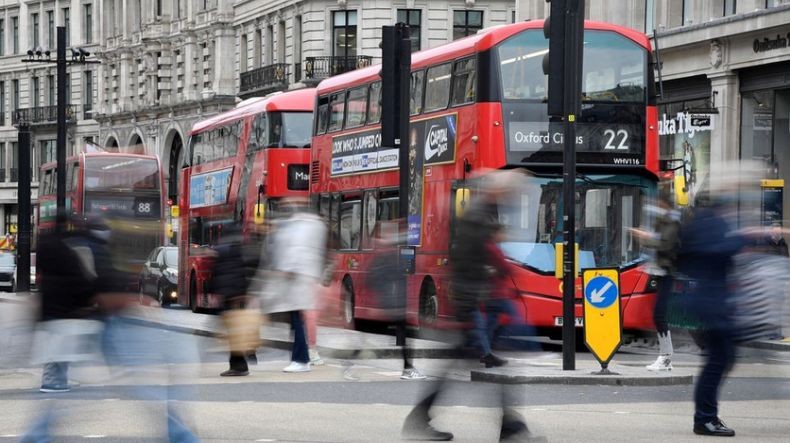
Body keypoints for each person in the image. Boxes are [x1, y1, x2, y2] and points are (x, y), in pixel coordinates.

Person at [402, 170, 542, 442]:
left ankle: (422, 419)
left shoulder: (484, 213)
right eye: (512, 191)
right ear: (498, 191)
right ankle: (510, 430)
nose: (514, 196)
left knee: (474, 369)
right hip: (472, 309)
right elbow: (466, 265)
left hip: (475, 307)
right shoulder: (477, 218)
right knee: (494, 369)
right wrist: (470, 312)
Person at [22, 216, 115, 441]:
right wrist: (86, 301)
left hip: (51, 308)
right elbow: (82, 278)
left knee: (56, 351)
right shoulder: (73, 249)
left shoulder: (49, 247)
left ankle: (53, 384)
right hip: (68, 309)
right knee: (63, 352)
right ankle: (54, 387)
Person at [677, 191, 747, 437]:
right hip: (711, 304)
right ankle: (705, 419)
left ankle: (706, 417)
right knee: (718, 361)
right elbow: (716, 252)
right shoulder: (708, 223)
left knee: (720, 359)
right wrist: (741, 239)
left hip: (712, 303)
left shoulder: (702, 223)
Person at [255, 198, 327, 373]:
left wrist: (285, 269)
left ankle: (301, 359)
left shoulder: (300, 227)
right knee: (296, 321)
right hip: (301, 280)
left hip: (297, 282)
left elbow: (295, 253)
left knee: (297, 320)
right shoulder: (311, 225)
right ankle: (301, 358)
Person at [365, 227, 426, 380]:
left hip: (391, 303)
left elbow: (371, 281)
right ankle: (408, 369)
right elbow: (382, 281)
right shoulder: (386, 258)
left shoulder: (382, 258)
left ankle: (408, 368)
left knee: (404, 335)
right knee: (406, 335)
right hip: (393, 304)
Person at [637, 191, 681, 372]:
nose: (657, 207)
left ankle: (666, 357)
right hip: (661, 271)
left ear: (664, 204)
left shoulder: (673, 222)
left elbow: (665, 245)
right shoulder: (665, 221)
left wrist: (647, 238)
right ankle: (666, 356)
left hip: (667, 272)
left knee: (659, 315)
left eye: (659, 203)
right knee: (658, 315)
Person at [212, 222, 258, 377]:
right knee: (240, 328)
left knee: (233, 331)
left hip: (229, 295)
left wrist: (216, 292)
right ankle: (246, 355)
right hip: (239, 294)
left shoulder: (222, 250)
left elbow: (219, 273)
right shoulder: (244, 249)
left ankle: (239, 365)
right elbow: (250, 270)